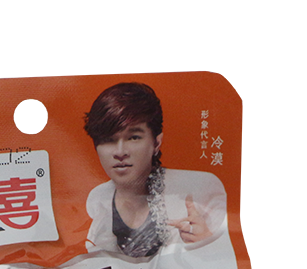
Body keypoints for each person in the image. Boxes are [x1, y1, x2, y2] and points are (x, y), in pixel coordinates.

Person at [83, 82, 227, 258]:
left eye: (133, 137)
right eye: (108, 140)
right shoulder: (98, 199)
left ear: (156, 143)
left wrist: (208, 245)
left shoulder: (200, 190)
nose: (120, 152)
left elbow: (231, 263)